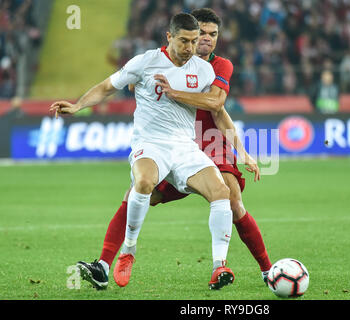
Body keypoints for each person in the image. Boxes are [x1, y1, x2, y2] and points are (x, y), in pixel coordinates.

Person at [50, 13, 254, 291]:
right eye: (184, 41)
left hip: (185, 146)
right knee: (143, 183)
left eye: (194, 41)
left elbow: (218, 111)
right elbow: (108, 87)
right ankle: (128, 251)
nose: (190, 48)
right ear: (169, 37)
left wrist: (241, 151)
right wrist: (77, 105)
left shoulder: (204, 70)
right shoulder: (145, 62)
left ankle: (219, 266)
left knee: (222, 193)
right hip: (150, 143)